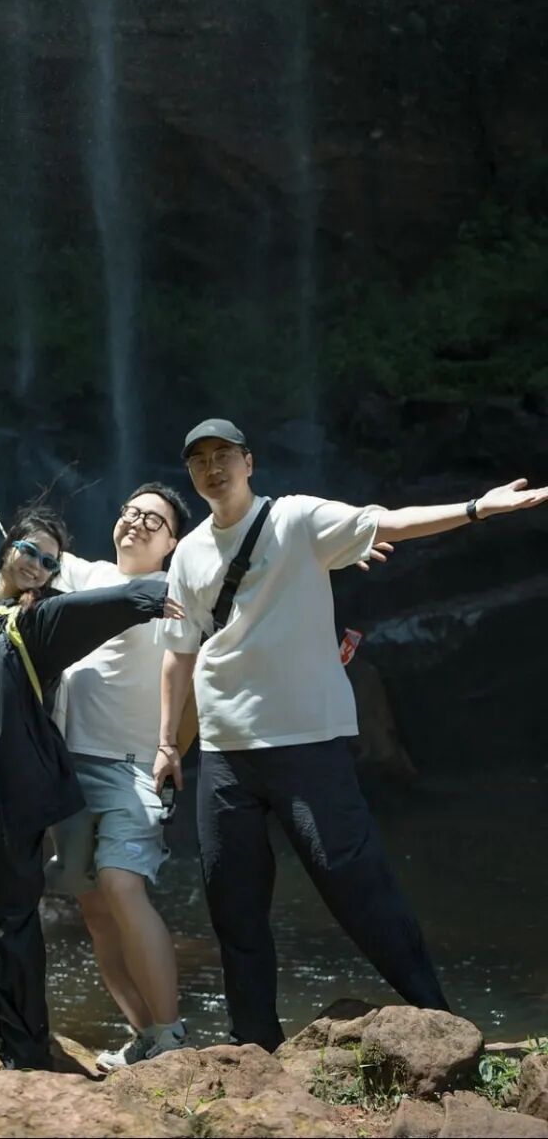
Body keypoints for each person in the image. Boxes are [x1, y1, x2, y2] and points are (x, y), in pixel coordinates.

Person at [153, 417, 548, 1052]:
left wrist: (477, 508)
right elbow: (179, 653)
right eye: (199, 459)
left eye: (224, 454)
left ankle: (444, 1023)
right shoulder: (189, 553)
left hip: (306, 740)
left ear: (249, 462)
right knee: (233, 907)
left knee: (358, 886)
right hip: (226, 751)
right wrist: (168, 744)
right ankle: (254, 1045)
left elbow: (388, 522)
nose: (213, 467)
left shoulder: (297, 519)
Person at [0, 506, 182, 1071]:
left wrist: (157, 594)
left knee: (14, 904)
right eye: (29, 551)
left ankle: (23, 1037)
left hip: (13, 771)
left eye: (48, 561)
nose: (37, 564)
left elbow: (96, 608)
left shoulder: (36, 621)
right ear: (6, 548)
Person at [44, 482, 193, 1069]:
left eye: (153, 520)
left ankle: (172, 1036)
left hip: (132, 768)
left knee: (121, 883)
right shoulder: (84, 575)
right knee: (96, 913)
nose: (136, 522)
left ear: (173, 543)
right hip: (66, 767)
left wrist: (173, 749)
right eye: (130, 512)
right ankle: (144, 1035)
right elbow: (36, 552)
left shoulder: (181, 594)